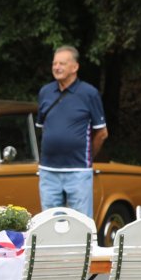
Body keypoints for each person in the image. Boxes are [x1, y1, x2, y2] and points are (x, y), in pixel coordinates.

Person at [35, 44, 108, 218]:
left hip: (78, 172)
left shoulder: (89, 93)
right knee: (49, 224)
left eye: (62, 63)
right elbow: (42, 129)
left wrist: (87, 157)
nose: (56, 67)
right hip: (48, 172)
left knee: (81, 224)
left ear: (75, 67)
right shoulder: (45, 92)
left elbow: (102, 133)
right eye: (54, 63)